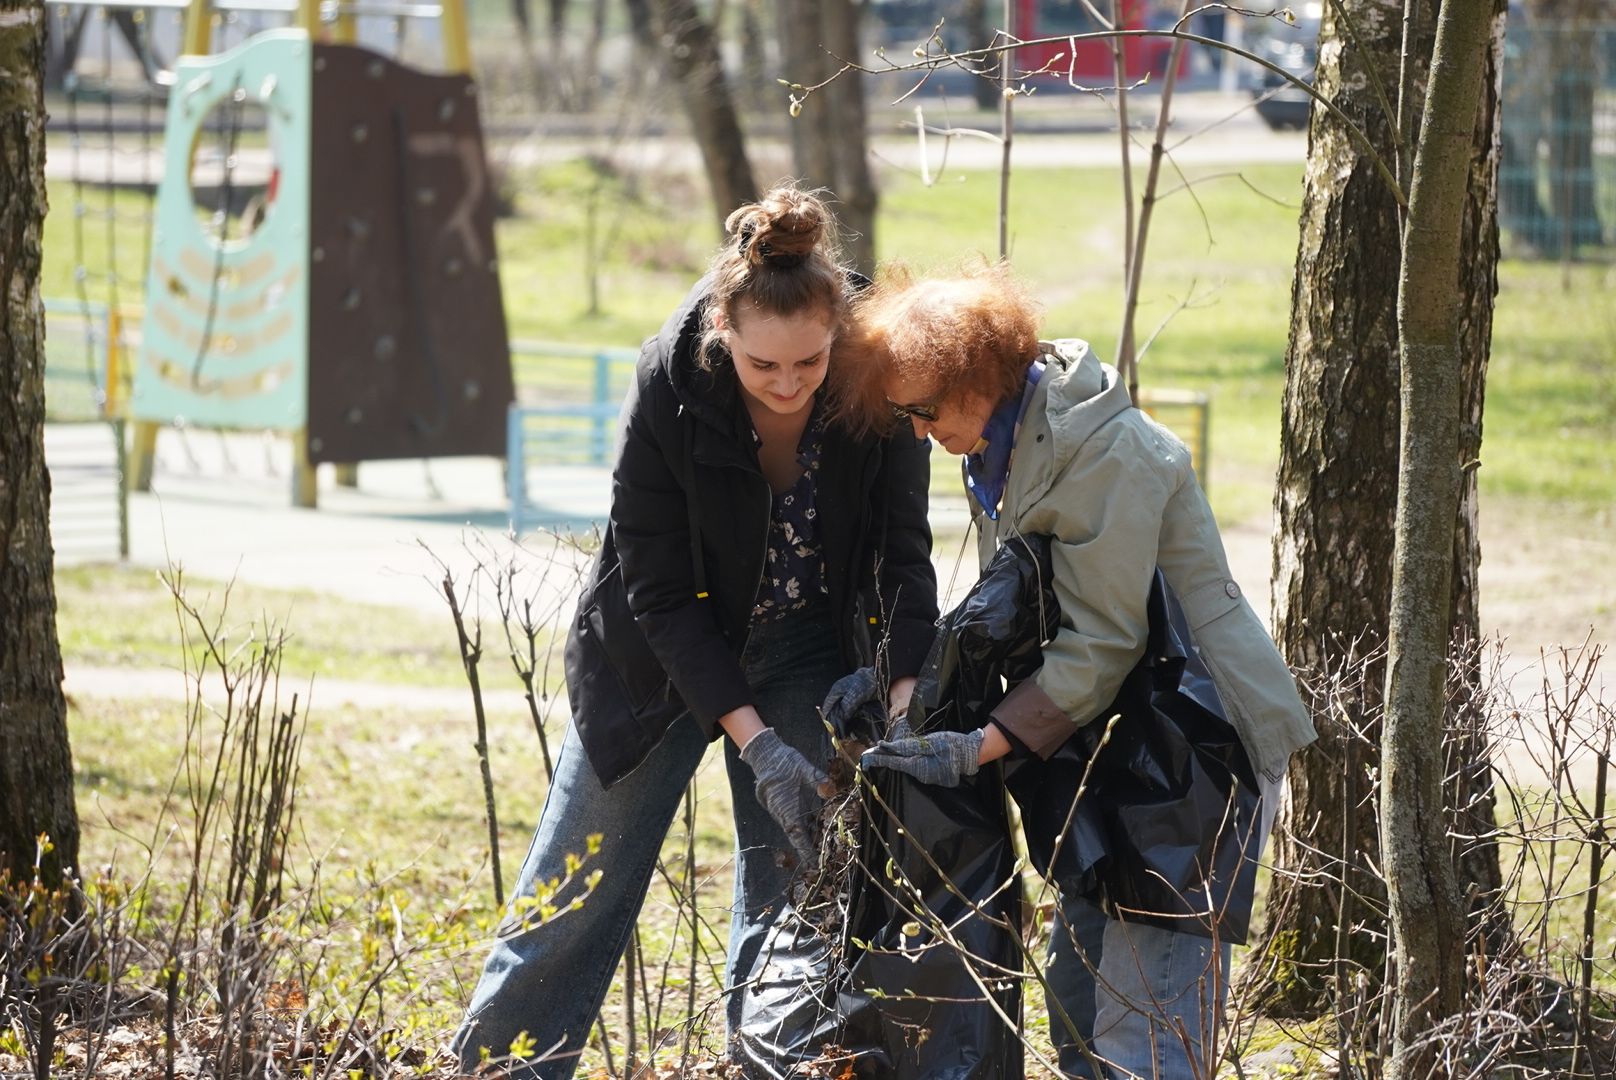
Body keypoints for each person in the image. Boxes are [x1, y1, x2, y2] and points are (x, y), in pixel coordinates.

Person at [453, 186, 938, 1078]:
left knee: (798, 901)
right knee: (574, 891)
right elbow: (659, 591)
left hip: (804, 652)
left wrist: (903, 705)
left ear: (839, 335)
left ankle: (768, 1066)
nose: (789, 386)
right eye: (763, 367)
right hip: (656, 663)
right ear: (723, 331)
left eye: (809, 363)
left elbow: (902, 555)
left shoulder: (879, 383)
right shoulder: (668, 387)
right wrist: (758, 748)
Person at [835, 263, 1316, 1080]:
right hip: (1117, 751)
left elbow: (1101, 641)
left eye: (923, 409)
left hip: (1193, 751)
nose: (917, 432)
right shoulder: (1002, 445)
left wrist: (978, 747)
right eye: (904, 414)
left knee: (1144, 1032)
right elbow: (1021, 613)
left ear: (980, 378)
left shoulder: (1100, 451)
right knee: (1079, 1008)